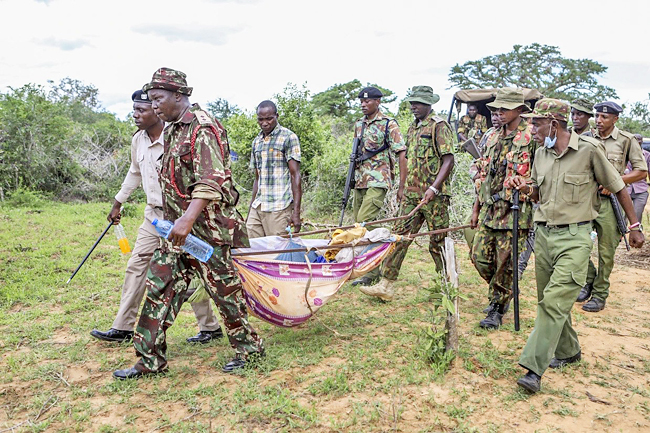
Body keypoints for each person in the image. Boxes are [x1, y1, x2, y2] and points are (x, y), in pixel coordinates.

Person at [113, 68, 264, 379]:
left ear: (178, 96)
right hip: (176, 233)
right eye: (151, 100)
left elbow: (212, 181)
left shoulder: (203, 129)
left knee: (225, 293)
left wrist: (186, 219)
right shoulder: (171, 130)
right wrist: (171, 222)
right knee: (159, 287)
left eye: (158, 99)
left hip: (208, 232)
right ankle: (149, 360)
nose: (154, 106)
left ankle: (249, 349)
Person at [509, 98, 644, 394]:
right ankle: (569, 351)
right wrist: (525, 188)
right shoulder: (541, 154)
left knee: (553, 302)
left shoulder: (589, 150)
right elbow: (537, 193)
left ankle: (533, 368)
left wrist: (634, 226)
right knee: (550, 299)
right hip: (544, 236)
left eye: (536, 123)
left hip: (575, 238)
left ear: (553, 124)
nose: (531, 128)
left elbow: (619, 186)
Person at [90, 90, 222, 345]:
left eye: (141, 110)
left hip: (182, 217)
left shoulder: (178, 136)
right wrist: (118, 202)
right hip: (153, 217)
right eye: (134, 110)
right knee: (136, 265)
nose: (135, 115)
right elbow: (134, 172)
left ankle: (210, 327)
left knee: (192, 270)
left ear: (156, 109)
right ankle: (123, 327)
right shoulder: (138, 140)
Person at [359, 86, 455, 300]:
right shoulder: (412, 128)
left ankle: (447, 286)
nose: (414, 107)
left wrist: (434, 188)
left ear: (429, 104)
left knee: (438, 241)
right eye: (412, 102)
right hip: (412, 194)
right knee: (399, 237)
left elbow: (448, 159)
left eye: (419, 103)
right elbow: (408, 160)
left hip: (434, 196)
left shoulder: (439, 126)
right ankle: (386, 284)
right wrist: (402, 187)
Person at [470, 88, 537, 329]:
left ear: (519, 110)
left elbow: (539, 175)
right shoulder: (491, 136)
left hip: (515, 211)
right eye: (496, 108)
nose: (498, 112)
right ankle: (503, 291)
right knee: (479, 257)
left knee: (506, 263)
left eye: (504, 108)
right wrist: (475, 209)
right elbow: (483, 173)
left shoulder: (531, 137)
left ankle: (497, 308)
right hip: (490, 208)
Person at [577, 102, 648, 312]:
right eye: (597, 116)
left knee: (606, 253)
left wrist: (616, 181)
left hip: (611, 202)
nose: (599, 121)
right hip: (586, 200)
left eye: (604, 117)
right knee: (578, 244)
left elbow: (641, 172)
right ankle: (588, 279)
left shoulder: (626, 140)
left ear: (615, 119)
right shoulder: (586, 138)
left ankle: (600, 294)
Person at [349, 86, 407, 287]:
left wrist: (401, 185)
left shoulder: (388, 124)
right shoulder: (359, 124)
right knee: (360, 224)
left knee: (363, 221)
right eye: (361, 102)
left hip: (378, 180)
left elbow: (401, 153)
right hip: (360, 180)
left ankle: (381, 251)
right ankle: (370, 269)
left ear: (378, 102)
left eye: (368, 101)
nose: (364, 105)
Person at [247, 100, 302, 237]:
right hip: (258, 205)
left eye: (269, 119)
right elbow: (257, 177)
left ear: (276, 116)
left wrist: (296, 212)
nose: (264, 123)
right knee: (251, 248)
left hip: (279, 206)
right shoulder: (256, 141)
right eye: (260, 119)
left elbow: (295, 175)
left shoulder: (288, 137)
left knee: (277, 251)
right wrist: (250, 208)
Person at [625, 134, 650, 229]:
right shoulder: (624, 154)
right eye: (635, 140)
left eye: (639, 140)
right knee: (621, 215)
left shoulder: (647, 155)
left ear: (642, 142)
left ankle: (635, 233)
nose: (637, 142)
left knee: (637, 215)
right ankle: (620, 236)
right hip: (625, 188)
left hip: (640, 189)